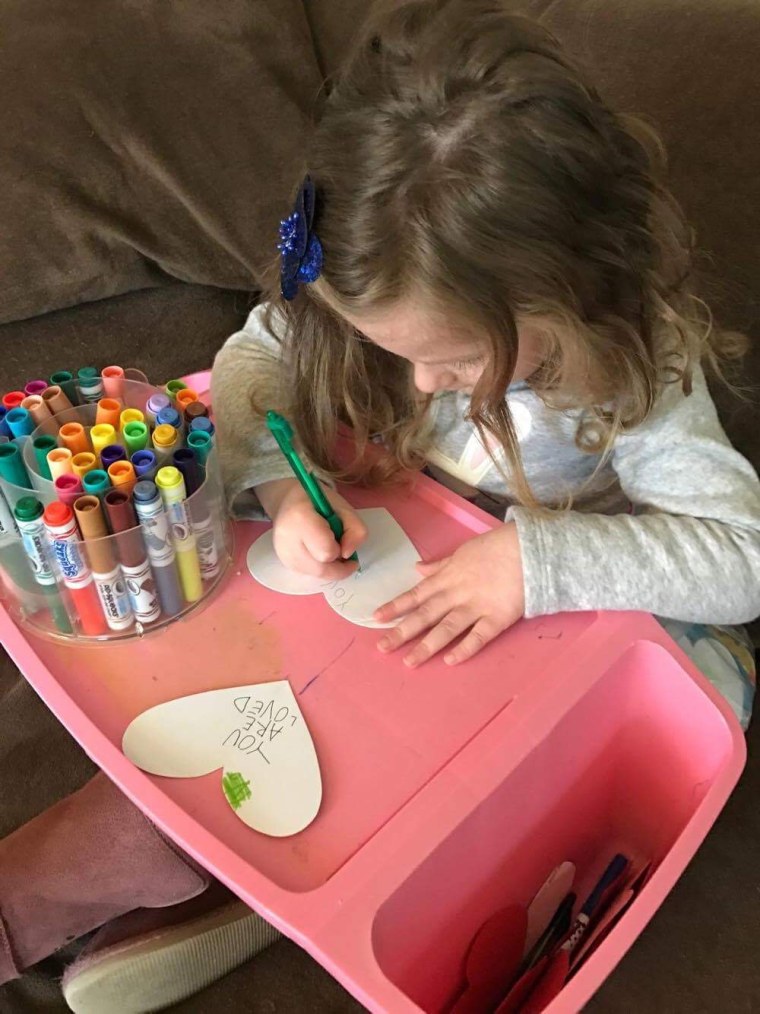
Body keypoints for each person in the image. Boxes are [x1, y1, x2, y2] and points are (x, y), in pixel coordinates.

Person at [2, 1, 758, 1009]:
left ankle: (262, 868)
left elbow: (741, 557)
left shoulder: (640, 373)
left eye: (453, 357)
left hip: (560, 640)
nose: (427, 386)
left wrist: (534, 563)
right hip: (390, 608)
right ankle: (206, 861)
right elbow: (252, 360)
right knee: (255, 690)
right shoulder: (374, 286)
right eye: (397, 353)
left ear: (573, 293)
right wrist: (281, 483)